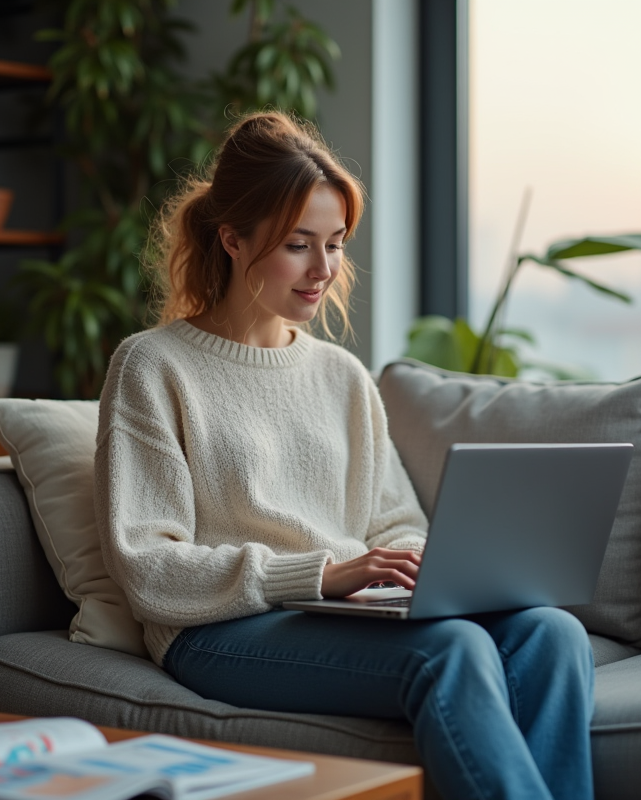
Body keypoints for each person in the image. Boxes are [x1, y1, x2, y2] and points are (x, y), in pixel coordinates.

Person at [94, 111, 595, 800]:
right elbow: (148, 569)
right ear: (233, 238)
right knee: (453, 652)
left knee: (552, 636)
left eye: (334, 244)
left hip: (340, 610)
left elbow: (393, 519)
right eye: (300, 245)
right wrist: (320, 575)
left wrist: (414, 568)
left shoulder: (342, 376)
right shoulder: (153, 366)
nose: (324, 269)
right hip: (216, 630)